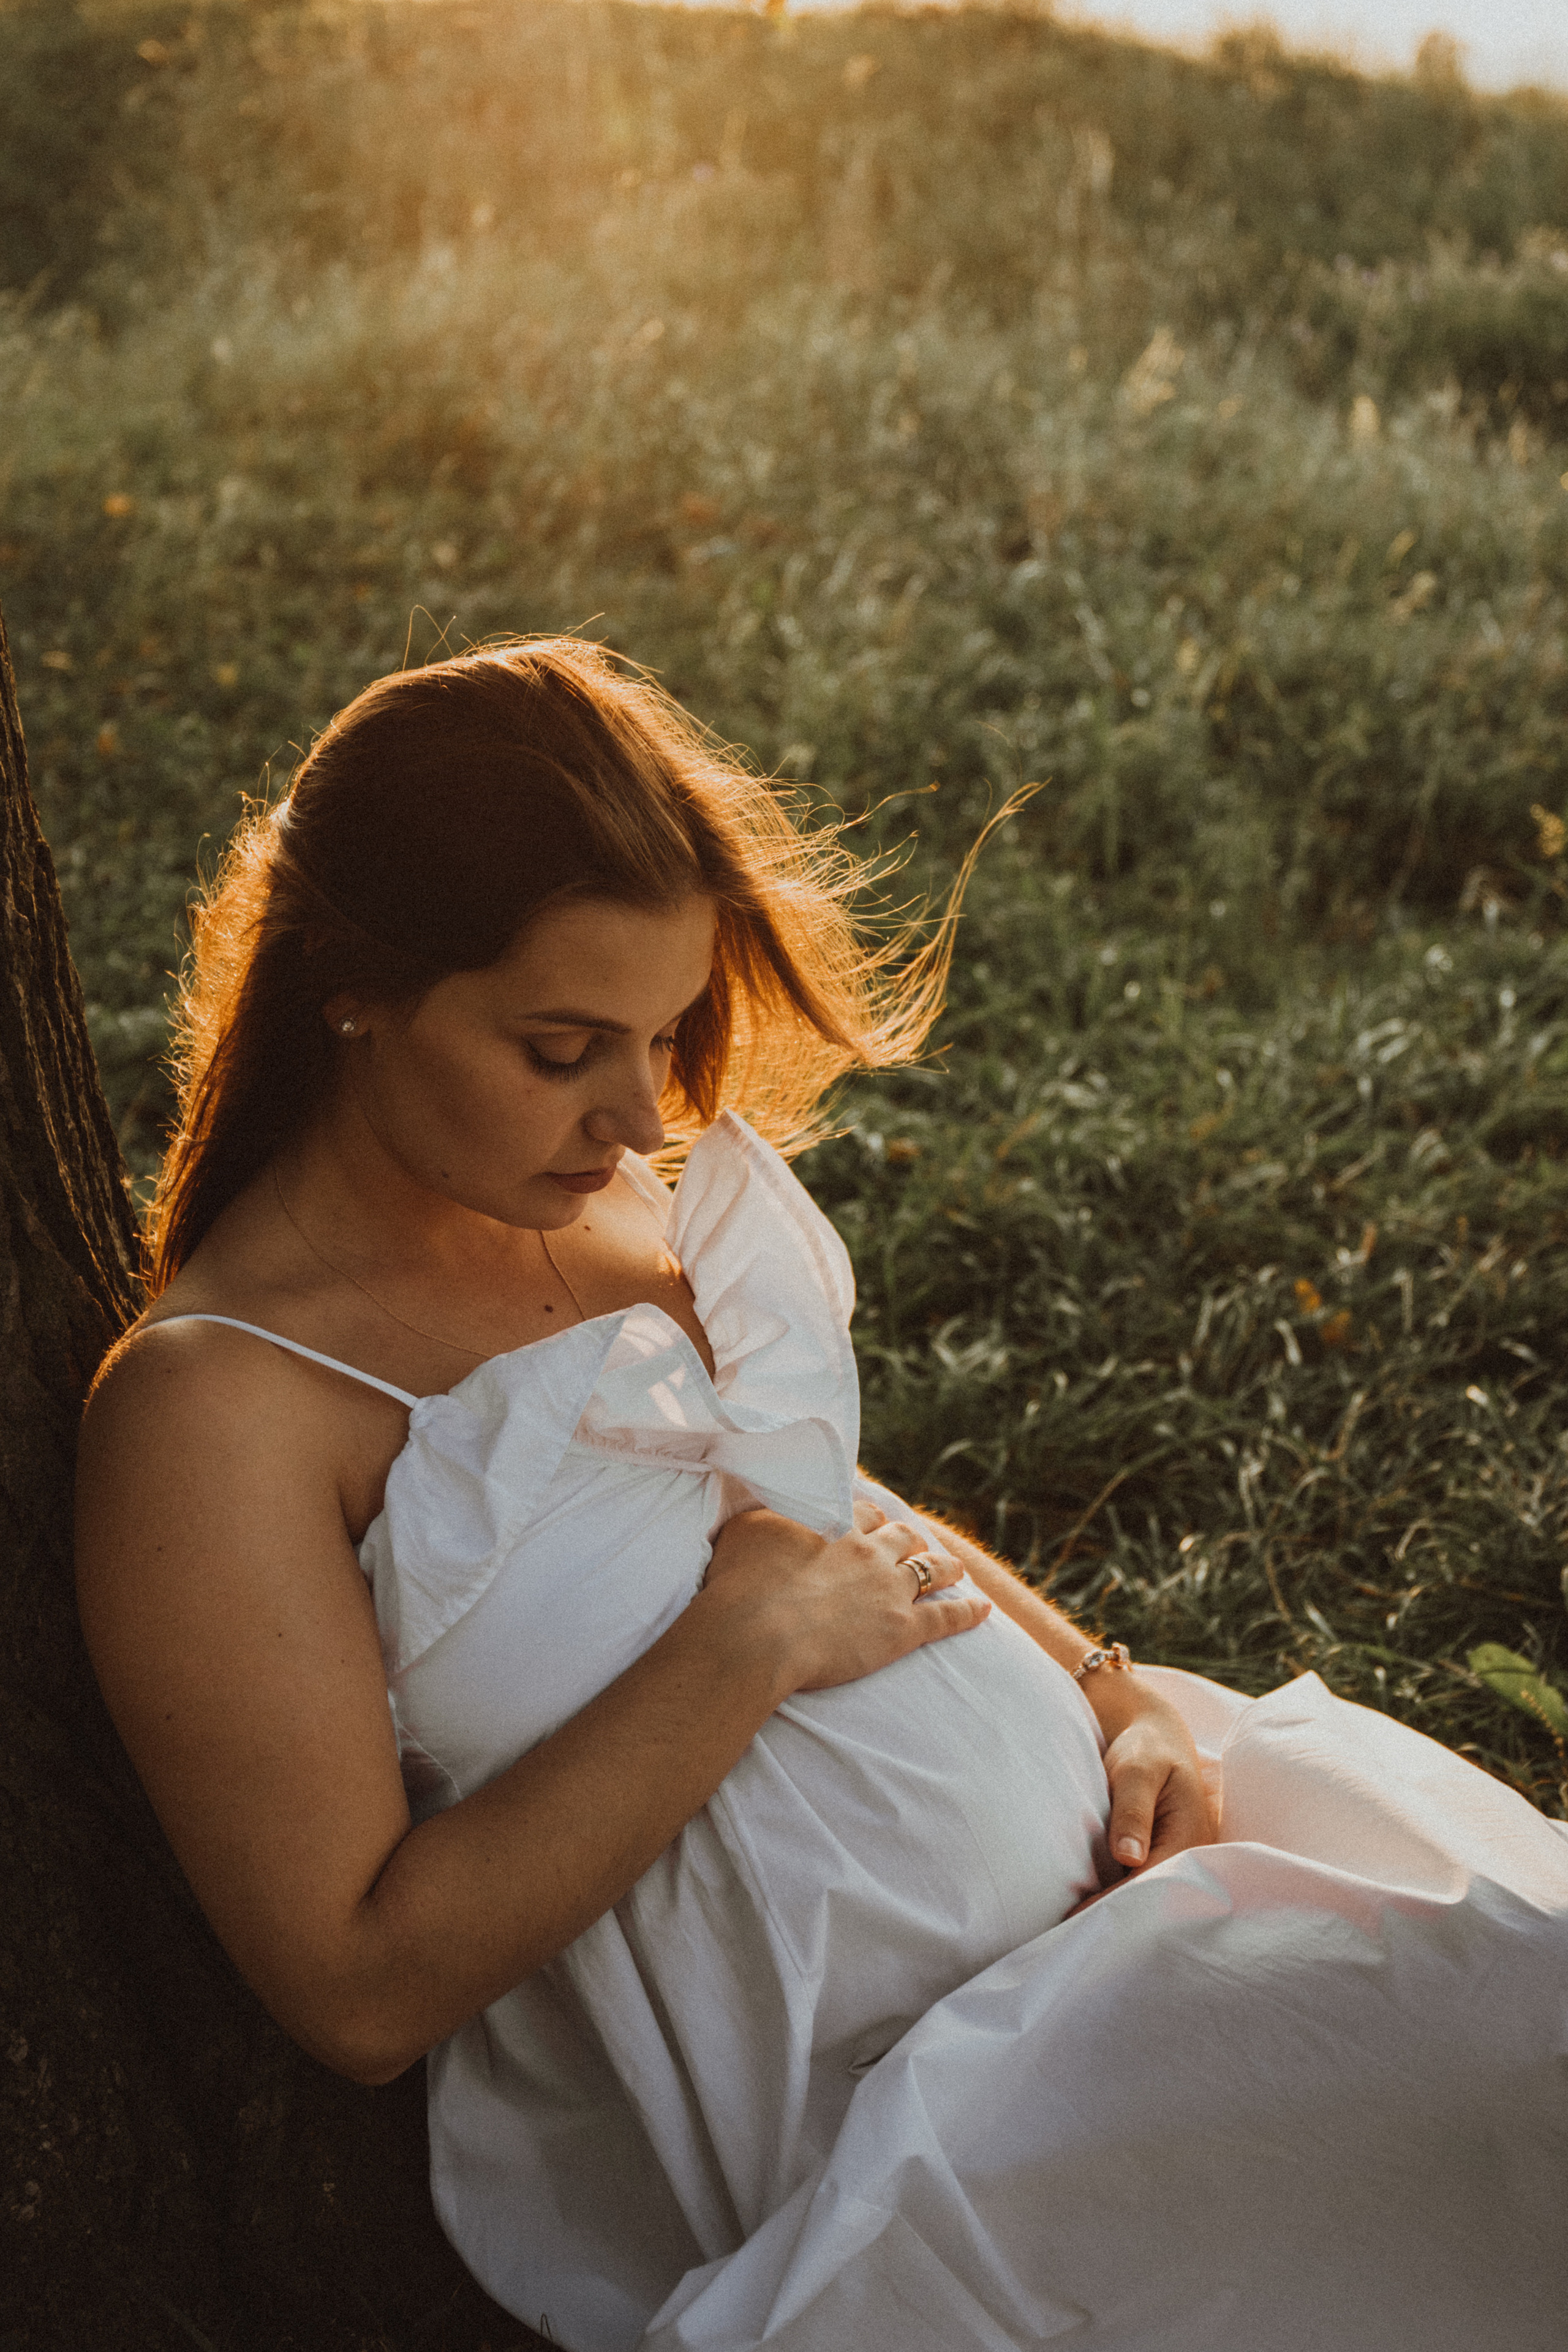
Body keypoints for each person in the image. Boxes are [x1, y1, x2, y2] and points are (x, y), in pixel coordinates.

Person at [77, 641, 1567, 2352]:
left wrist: (1112, 1689)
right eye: (561, 1046)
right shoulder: (222, 1413)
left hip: (1147, 1875)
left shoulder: (611, 1209)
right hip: (922, 2119)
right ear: (355, 986)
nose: (638, 1114)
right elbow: (356, 1986)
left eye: (660, 1034)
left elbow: (817, 1495)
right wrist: (741, 1650)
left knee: (1525, 2005)